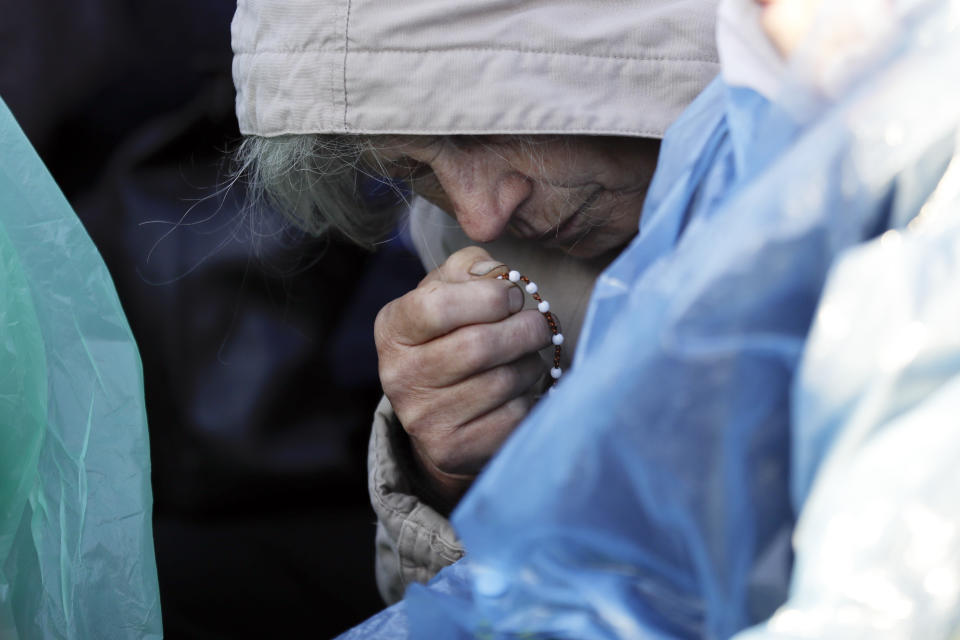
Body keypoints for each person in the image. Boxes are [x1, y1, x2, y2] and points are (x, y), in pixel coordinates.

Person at [232, 0, 721, 604]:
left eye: (476, 124)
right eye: (414, 168)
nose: (481, 216)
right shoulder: (474, 243)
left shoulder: (849, 143)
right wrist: (446, 478)